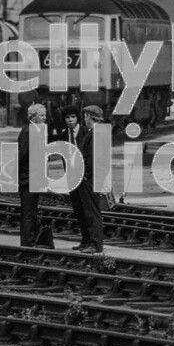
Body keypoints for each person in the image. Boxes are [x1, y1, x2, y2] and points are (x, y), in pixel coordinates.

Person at [72, 104, 106, 253]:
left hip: (90, 179)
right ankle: (87, 241)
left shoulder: (96, 133)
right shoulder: (95, 132)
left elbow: (93, 158)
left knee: (92, 212)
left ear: (89, 117)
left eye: (84, 116)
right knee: (86, 211)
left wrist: (86, 175)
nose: (83, 119)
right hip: (89, 178)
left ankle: (96, 244)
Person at [58, 105, 89, 250]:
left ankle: (90, 240)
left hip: (85, 177)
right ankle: (84, 240)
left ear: (78, 118)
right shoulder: (65, 134)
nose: (70, 120)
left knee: (87, 209)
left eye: (73, 117)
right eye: (67, 118)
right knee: (77, 209)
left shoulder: (85, 132)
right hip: (72, 178)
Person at [17, 102, 47, 247]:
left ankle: (30, 240)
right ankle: (27, 243)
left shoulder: (34, 130)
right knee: (28, 212)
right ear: (33, 117)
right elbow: (23, 155)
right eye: (42, 115)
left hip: (33, 177)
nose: (44, 118)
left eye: (45, 115)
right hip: (28, 178)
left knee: (32, 212)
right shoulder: (29, 131)